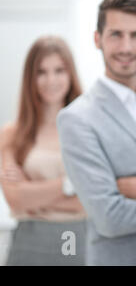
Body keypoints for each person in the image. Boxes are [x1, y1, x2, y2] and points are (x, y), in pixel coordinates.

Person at [57, 0, 136, 265]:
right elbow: (109, 218)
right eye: (116, 34)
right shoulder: (76, 119)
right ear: (98, 39)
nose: (126, 47)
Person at [0, 36, 87, 266]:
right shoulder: (11, 134)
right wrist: (70, 184)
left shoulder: (88, 130)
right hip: (28, 242)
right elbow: (15, 200)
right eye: (41, 72)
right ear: (31, 77)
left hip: (78, 240)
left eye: (59, 70)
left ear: (70, 74)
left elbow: (89, 202)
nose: (51, 80)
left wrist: (31, 192)